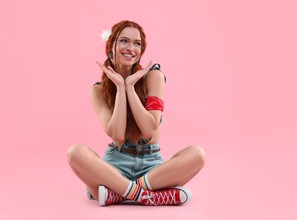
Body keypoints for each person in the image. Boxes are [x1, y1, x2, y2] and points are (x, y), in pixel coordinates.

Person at [67, 20, 206, 206]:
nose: (131, 48)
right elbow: (117, 134)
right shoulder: (98, 90)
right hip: (115, 164)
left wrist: (130, 87)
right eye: (124, 41)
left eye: (137, 43)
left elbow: (149, 130)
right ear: (111, 46)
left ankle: (118, 194)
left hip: (152, 164)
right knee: (75, 152)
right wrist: (120, 87)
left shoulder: (154, 76)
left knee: (197, 155)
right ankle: (146, 196)